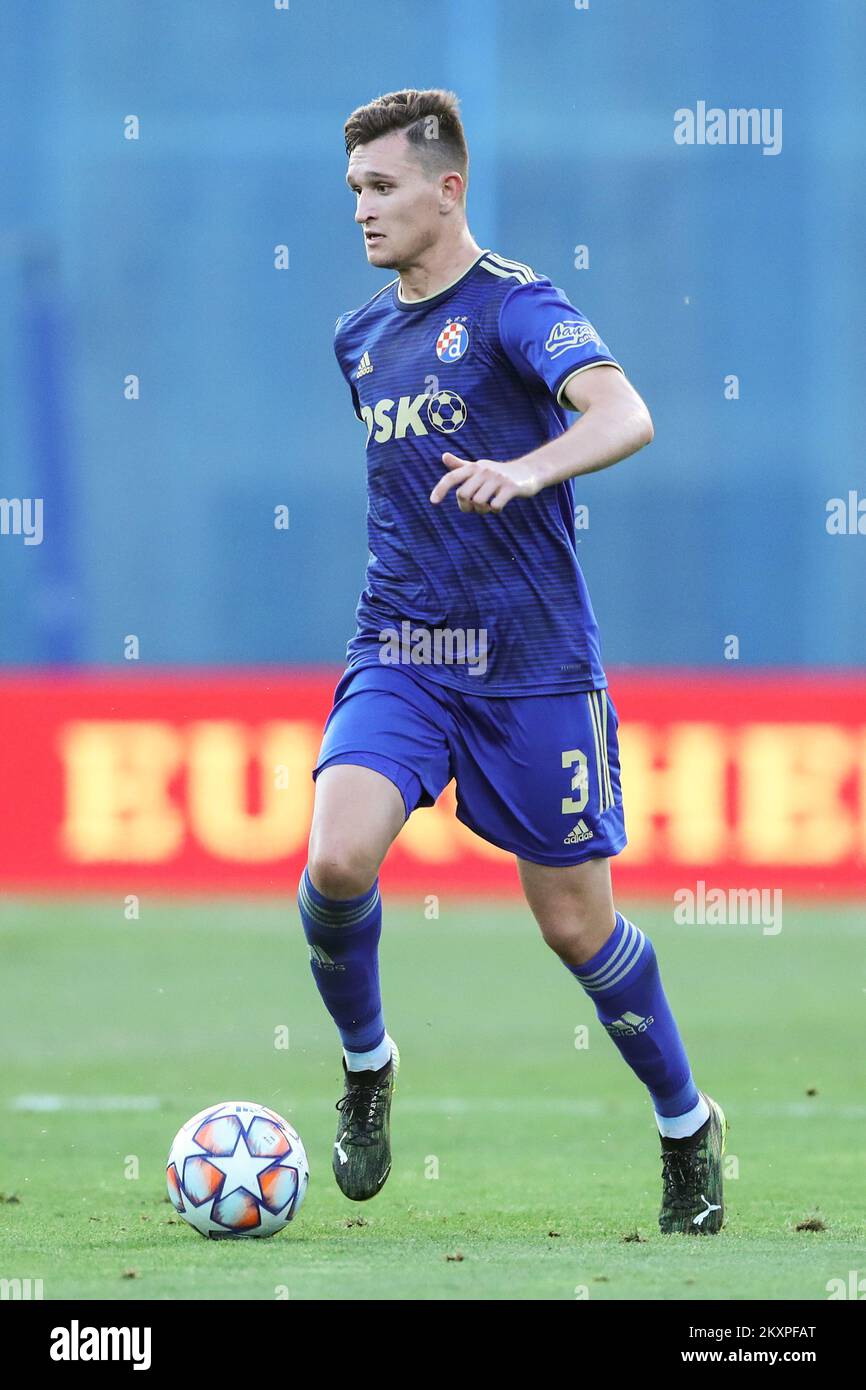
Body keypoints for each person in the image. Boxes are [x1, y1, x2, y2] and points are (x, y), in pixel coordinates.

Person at [297, 88, 726, 1235]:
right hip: (404, 647)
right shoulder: (360, 337)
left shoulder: (515, 309)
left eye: (381, 188)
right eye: (352, 191)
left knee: (575, 926)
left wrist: (530, 468)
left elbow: (623, 413)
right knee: (337, 858)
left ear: (447, 190)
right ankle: (367, 1066)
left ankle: (686, 1127)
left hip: (532, 664)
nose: (362, 211)